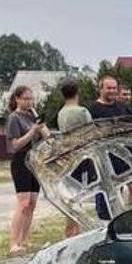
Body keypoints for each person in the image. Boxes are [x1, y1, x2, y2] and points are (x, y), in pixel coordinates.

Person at [6, 85, 50, 254]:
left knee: (32, 203)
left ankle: (24, 240)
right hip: (21, 160)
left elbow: (47, 136)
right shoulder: (14, 118)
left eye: (31, 98)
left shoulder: (33, 115)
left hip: (35, 160)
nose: (29, 102)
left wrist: (40, 123)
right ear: (17, 99)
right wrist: (32, 131)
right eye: (25, 98)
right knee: (23, 203)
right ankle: (13, 242)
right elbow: (15, 144)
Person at [56, 78, 92, 237]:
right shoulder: (82, 111)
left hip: (67, 155)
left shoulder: (61, 113)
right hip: (82, 155)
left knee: (72, 192)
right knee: (80, 193)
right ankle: (74, 228)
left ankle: (72, 226)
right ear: (77, 92)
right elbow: (92, 131)